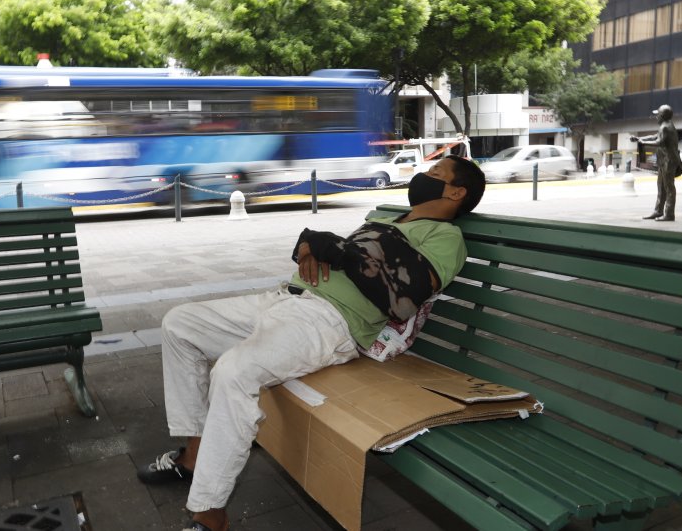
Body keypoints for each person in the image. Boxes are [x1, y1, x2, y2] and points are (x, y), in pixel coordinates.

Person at [138, 156, 486, 531]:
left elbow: (405, 296)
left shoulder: (446, 238)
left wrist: (340, 251)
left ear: (456, 192)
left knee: (234, 373)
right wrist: (309, 245)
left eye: (436, 174)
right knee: (179, 324)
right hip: (286, 299)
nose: (423, 176)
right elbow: (337, 255)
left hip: (331, 321)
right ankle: (194, 455)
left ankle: (210, 511)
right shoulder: (386, 221)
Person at [631, 104, 681, 222]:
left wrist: (643, 143)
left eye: (657, 114)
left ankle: (669, 214)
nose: (656, 117)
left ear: (662, 116)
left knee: (669, 188)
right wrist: (640, 139)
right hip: (664, 161)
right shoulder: (666, 125)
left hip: (669, 161)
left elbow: (659, 142)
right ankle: (658, 211)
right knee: (661, 187)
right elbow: (655, 136)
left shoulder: (666, 127)